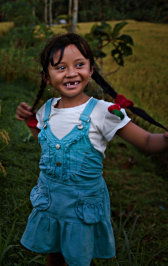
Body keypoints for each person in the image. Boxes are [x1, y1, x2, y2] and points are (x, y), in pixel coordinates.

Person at [15, 33, 168, 266]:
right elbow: (46, 142)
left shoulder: (104, 112)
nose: (71, 73)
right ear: (46, 77)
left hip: (81, 206)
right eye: (60, 67)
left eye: (79, 65)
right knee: (53, 253)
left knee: (77, 256)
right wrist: (30, 122)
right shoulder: (46, 109)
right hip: (51, 202)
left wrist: (165, 139)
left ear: (91, 70)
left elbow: (147, 142)